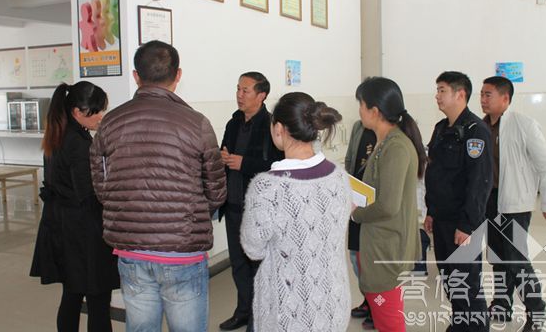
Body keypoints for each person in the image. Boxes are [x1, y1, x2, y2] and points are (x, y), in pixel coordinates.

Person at [89, 40, 226, 332]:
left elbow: (102, 187)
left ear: (136, 76)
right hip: (183, 250)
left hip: (131, 250)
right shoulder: (196, 123)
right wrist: (190, 215)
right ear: (178, 75)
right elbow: (216, 190)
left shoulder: (110, 122)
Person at [240, 92, 351, 332]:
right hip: (333, 303)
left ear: (279, 129)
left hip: (288, 313)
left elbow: (253, 249)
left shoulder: (267, 187)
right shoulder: (339, 176)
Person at [30, 81, 119, 332]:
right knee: (98, 299)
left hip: (62, 227)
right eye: (96, 111)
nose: (101, 116)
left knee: (71, 295)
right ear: (78, 112)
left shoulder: (58, 135)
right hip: (84, 232)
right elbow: (89, 194)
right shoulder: (78, 144)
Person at [481, 76, 546, 331]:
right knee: (497, 257)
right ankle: (501, 305)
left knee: (516, 260)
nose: (483, 99)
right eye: (481, 94)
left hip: (515, 204)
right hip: (490, 202)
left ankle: (537, 312)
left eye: (488, 94)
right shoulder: (481, 127)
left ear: (505, 98)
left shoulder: (523, 124)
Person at [351, 77, 425, 332]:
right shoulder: (385, 142)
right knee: (384, 314)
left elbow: (388, 205)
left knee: (388, 318)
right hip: (380, 243)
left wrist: (355, 214)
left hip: (388, 248)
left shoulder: (396, 147)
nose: (359, 111)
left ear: (374, 111)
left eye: (361, 105)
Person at [424, 71, 492, 332]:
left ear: (460, 94)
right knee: (451, 279)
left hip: (462, 223)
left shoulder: (476, 132)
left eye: (442, 90)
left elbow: (480, 183)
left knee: (467, 284)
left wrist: (467, 225)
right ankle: (460, 324)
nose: (437, 96)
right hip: (442, 219)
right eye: (437, 90)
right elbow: (435, 174)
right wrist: (431, 211)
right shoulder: (442, 129)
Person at [219, 72, 283, 331]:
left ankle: (259, 318)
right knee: (238, 265)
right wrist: (222, 157)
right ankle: (243, 311)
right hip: (233, 205)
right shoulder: (233, 122)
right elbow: (225, 151)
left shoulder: (272, 125)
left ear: (261, 95)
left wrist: (244, 163)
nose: (239, 95)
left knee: (259, 267)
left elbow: (278, 165)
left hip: (258, 209)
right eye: (238, 89)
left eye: (245, 90)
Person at [344, 120, 377, 329]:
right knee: (356, 257)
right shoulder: (358, 126)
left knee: (372, 261)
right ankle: (368, 300)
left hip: (375, 207)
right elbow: (350, 159)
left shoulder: (390, 131)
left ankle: (377, 306)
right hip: (357, 201)